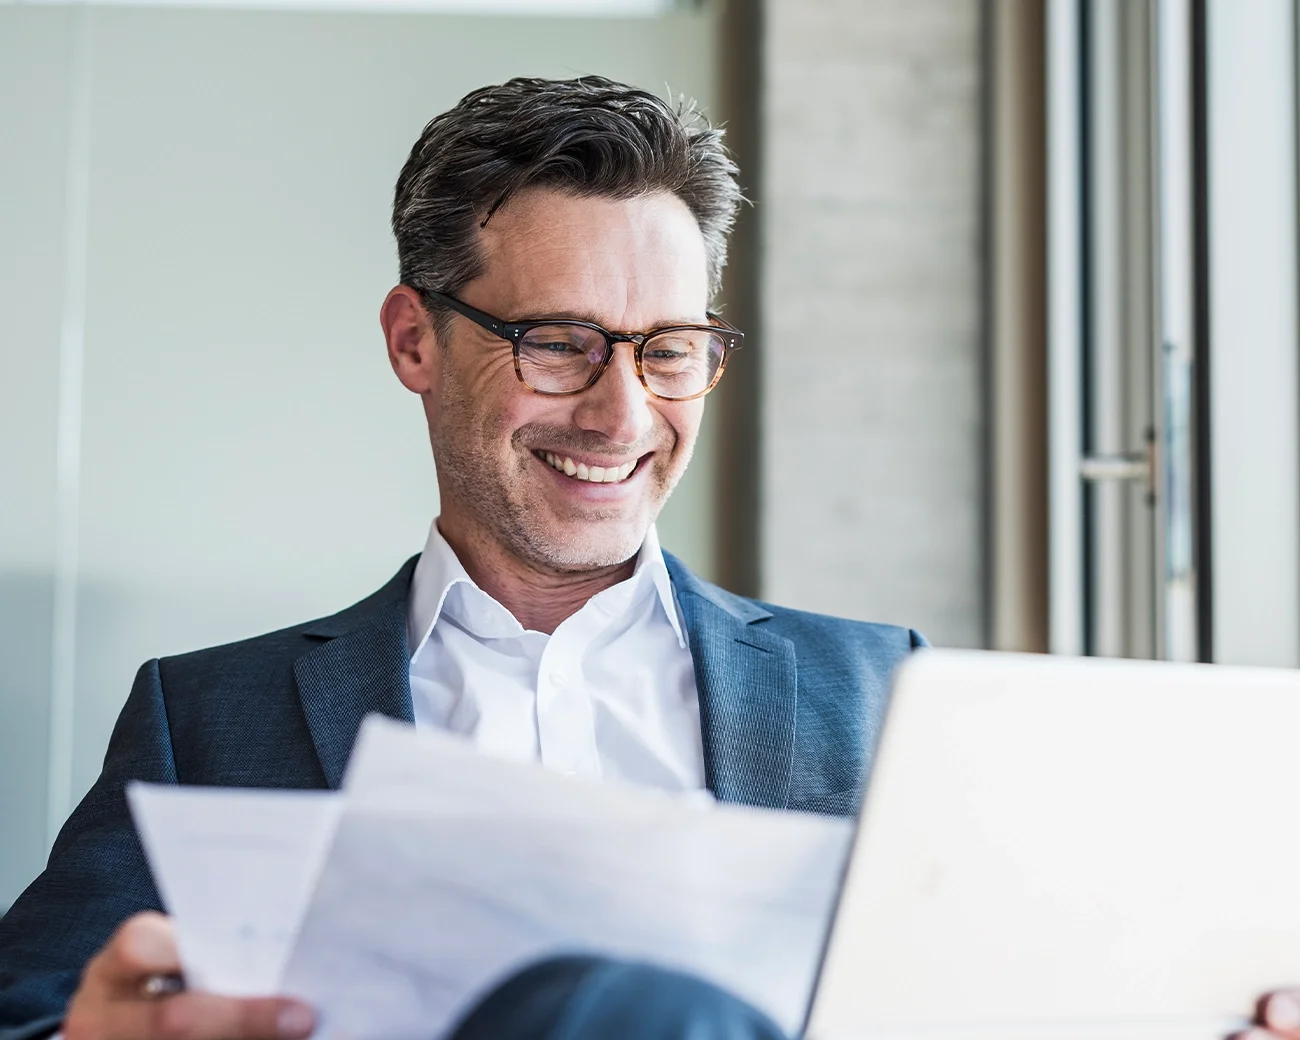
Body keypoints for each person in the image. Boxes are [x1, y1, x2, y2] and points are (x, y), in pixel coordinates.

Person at [0, 77, 1294, 1040]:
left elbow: (1021, 1000)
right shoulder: (211, 715)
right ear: (414, 341)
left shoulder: (880, 692)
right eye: (560, 341)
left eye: (668, 348)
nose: (622, 416)